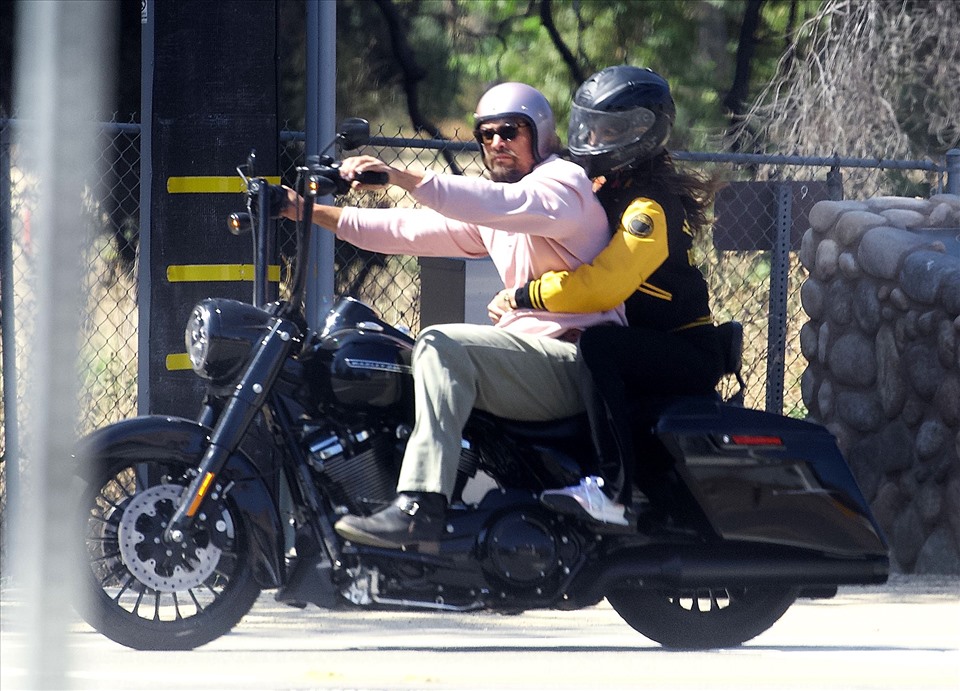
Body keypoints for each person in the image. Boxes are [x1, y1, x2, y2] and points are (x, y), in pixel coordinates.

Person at [281, 82, 624, 549]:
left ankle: (421, 504)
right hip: (531, 361)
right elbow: (407, 229)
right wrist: (306, 211)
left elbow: (496, 203)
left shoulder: (562, 185)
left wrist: (401, 176)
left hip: (573, 362)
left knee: (442, 345)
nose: (498, 143)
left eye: (511, 131)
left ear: (540, 135)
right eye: (487, 135)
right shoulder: (505, 212)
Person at [487, 66, 724, 527]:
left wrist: (523, 296)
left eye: (610, 129)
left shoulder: (647, 206)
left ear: (646, 131)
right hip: (644, 341)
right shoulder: (601, 191)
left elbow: (604, 285)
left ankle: (612, 492)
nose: (594, 137)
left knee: (599, 346)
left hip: (686, 349)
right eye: (589, 125)